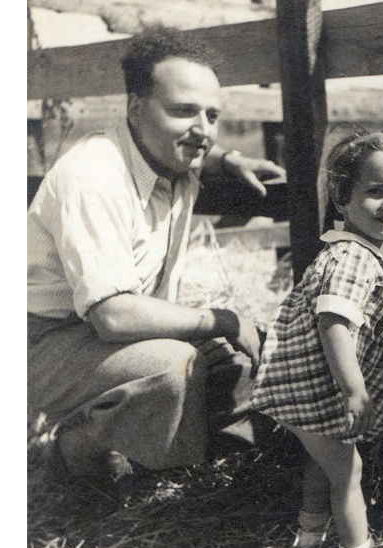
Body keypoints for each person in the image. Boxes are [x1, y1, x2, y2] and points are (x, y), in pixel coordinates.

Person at [27, 26, 285, 490]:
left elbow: (196, 144)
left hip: (102, 335)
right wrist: (221, 319)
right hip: (45, 341)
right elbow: (114, 316)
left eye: (212, 114)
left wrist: (229, 160)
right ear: (134, 108)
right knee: (172, 367)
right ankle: (78, 450)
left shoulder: (169, 156)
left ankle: (215, 467)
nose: (202, 128)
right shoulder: (93, 175)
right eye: (183, 110)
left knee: (246, 362)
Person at [250, 131, 383, 548]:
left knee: (324, 461)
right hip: (318, 387)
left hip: (305, 387)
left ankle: (309, 539)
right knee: (349, 471)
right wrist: (354, 389)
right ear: (341, 197)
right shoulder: (353, 258)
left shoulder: (345, 249)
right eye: (376, 191)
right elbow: (333, 321)